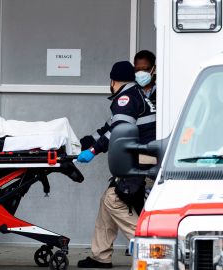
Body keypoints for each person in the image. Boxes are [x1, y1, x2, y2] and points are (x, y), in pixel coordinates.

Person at [76, 61, 156, 268]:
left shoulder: (126, 98)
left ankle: (153, 251)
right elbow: (107, 129)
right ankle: (100, 256)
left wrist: (93, 151)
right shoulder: (137, 95)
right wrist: (81, 143)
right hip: (145, 156)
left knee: (115, 200)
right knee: (107, 199)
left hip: (141, 159)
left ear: (113, 81)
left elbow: (118, 131)